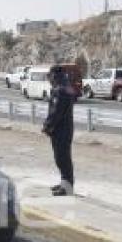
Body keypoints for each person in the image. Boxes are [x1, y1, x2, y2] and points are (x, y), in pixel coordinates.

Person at [43, 68, 76, 197]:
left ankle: (67, 187)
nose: (49, 80)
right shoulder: (67, 87)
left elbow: (56, 112)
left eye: (50, 77)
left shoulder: (60, 90)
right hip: (66, 128)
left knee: (61, 158)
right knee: (63, 158)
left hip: (60, 130)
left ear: (54, 76)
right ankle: (65, 183)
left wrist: (47, 126)